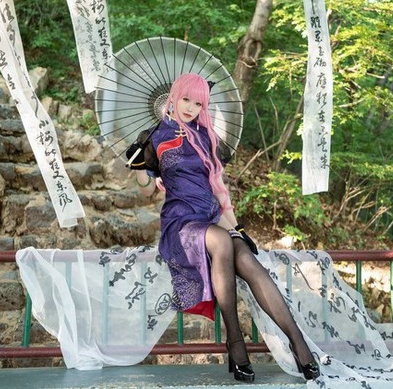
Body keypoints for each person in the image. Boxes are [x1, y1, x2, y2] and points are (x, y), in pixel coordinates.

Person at [126, 73, 320, 382]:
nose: (191, 108)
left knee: (247, 258)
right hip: (181, 222)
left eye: (198, 103)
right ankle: (235, 340)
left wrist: (238, 228)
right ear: (174, 96)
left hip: (212, 217)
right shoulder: (154, 136)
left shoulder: (205, 136)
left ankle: (298, 343)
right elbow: (147, 191)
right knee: (221, 241)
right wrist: (138, 168)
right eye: (186, 99)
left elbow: (218, 190)